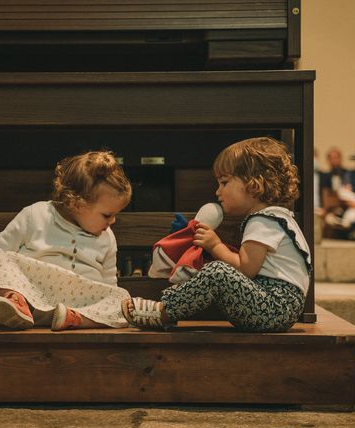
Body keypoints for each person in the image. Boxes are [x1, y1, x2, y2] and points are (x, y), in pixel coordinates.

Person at [122, 137, 311, 332]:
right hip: (276, 307)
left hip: (273, 307)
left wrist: (215, 245)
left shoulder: (263, 220)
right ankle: (168, 309)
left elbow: (246, 269)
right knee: (217, 271)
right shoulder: (278, 218)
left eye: (224, 182)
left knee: (218, 273)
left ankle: (162, 312)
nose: (217, 191)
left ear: (254, 183)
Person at [0, 150, 132, 331]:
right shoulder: (35, 215)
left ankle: (74, 319)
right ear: (76, 203)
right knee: (1, 259)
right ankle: (15, 303)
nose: (113, 221)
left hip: (79, 307)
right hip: (32, 298)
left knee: (122, 300)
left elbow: (108, 284)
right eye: (107, 215)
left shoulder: (107, 237)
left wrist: (110, 302)